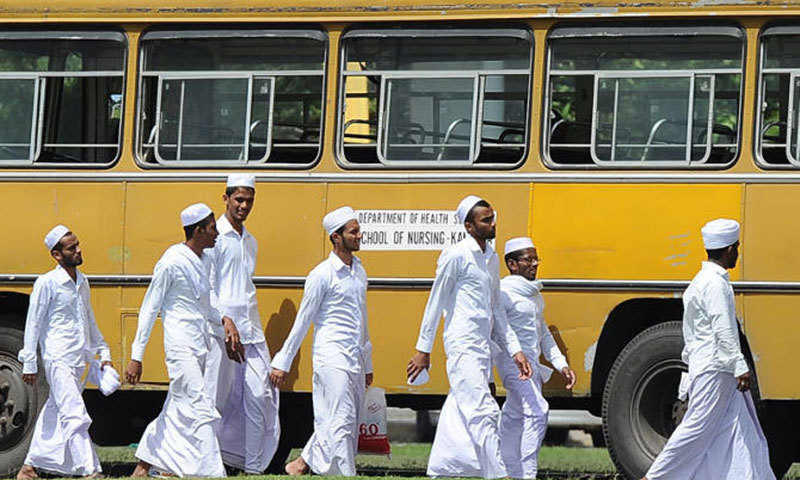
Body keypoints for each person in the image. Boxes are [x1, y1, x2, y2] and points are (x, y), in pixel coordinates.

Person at [407, 195, 533, 479]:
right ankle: (498, 475)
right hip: (462, 344)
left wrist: (515, 350)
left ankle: (441, 469)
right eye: (486, 220)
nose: (493, 224)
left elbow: (496, 308)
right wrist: (422, 349)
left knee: (460, 407)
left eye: (493, 218)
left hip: (483, 346)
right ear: (469, 226)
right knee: (484, 410)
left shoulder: (491, 257)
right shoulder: (456, 256)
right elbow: (435, 302)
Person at [642, 219, 774, 480]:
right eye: (737, 247)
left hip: (713, 369)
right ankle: (653, 478)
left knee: (741, 434)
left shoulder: (700, 282)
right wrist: (739, 365)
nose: (738, 252)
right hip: (717, 370)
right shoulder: (715, 285)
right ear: (729, 250)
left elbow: (692, 334)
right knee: (696, 429)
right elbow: (723, 328)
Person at [125, 203, 243, 478]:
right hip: (179, 347)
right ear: (199, 230)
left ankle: (146, 466)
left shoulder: (205, 261)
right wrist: (136, 356)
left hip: (199, 345)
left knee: (178, 408)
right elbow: (149, 309)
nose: (217, 233)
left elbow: (206, 306)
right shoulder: (171, 261)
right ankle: (211, 472)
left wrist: (225, 321)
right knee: (201, 405)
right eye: (213, 228)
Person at [269, 206, 373, 477]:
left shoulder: (359, 271)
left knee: (345, 419)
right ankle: (345, 474)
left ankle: (299, 464)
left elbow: (363, 320)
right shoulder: (321, 274)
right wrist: (283, 361)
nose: (360, 235)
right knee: (341, 418)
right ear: (336, 237)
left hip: (354, 357)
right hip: (330, 356)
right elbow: (303, 321)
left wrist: (368, 362)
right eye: (354, 231)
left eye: (358, 230)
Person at [16, 226, 113, 480]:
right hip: (58, 359)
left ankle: (29, 468)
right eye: (72, 247)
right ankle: (89, 470)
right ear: (57, 255)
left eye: (78, 244)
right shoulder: (47, 283)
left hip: (79, 358)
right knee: (74, 412)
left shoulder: (82, 281)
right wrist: (29, 362)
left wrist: (103, 352)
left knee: (55, 411)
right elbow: (33, 323)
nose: (79, 250)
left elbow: (88, 319)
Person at [203, 174, 280, 473]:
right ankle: (208, 464)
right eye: (239, 200)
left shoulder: (251, 241)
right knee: (214, 400)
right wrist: (224, 321)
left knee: (259, 395)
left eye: (249, 200)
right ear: (225, 199)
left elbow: (244, 288)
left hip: (250, 329)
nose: (244, 206)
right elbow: (207, 287)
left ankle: (253, 466)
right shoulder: (215, 237)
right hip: (221, 331)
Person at [497, 237, 576, 479]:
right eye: (528, 259)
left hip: (531, 364)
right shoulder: (503, 292)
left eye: (536, 259)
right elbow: (501, 329)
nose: (534, 264)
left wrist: (561, 365)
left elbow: (543, 336)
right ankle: (527, 473)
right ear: (512, 264)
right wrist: (515, 354)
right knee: (538, 410)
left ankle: (504, 468)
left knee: (514, 413)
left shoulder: (533, 295)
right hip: (513, 363)